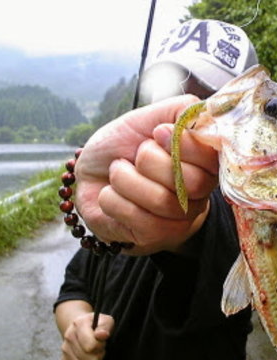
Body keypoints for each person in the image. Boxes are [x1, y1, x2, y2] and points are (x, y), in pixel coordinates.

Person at [54, 19, 259, 360]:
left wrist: (181, 223)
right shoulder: (114, 207)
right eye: (171, 92)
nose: (186, 110)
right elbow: (74, 286)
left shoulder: (243, 215)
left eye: (211, 99)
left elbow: (209, 233)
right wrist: (75, 324)